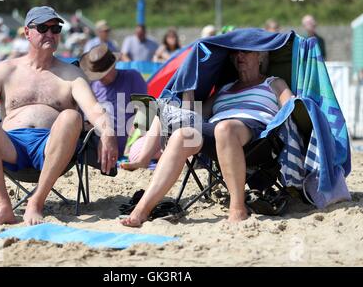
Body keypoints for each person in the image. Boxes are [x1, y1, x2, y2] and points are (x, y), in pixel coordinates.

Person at [0, 6, 118, 228]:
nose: (51, 34)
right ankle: (4, 206)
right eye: (43, 28)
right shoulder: (7, 70)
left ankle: (36, 202)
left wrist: (108, 133)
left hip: (51, 147)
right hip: (10, 147)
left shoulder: (71, 74)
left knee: (71, 116)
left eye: (56, 28)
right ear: (26, 32)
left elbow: (94, 109)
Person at [120, 49, 294, 227]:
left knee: (225, 128)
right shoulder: (225, 88)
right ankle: (141, 210)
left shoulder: (273, 83)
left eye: (246, 52)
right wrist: (189, 91)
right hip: (216, 133)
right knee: (182, 134)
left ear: (261, 57)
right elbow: (197, 116)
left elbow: (291, 107)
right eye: (235, 53)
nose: (239, 56)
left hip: (257, 136)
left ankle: (237, 208)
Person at [80, 43, 147, 156]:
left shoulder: (132, 78)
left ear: (114, 66)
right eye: (97, 74)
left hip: (130, 147)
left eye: (103, 73)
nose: (100, 78)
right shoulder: (91, 87)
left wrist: (130, 143)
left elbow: (144, 112)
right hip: (99, 149)